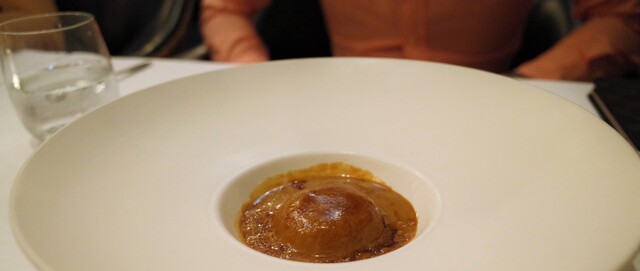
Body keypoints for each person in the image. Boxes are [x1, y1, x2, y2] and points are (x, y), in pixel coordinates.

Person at [200, 0, 640, 81]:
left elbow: (623, 18)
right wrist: (256, 77)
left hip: (491, 102)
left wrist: (529, 82)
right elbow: (225, 8)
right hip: (343, 99)